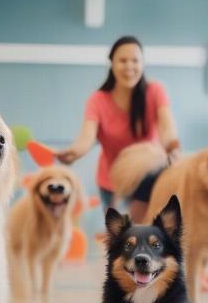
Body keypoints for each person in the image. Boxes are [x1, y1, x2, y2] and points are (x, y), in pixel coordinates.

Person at [57, 35, 181, 223]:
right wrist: (72, 153)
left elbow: (167, 127)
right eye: (123, 60)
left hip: (149, 177)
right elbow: (86, 139)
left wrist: (173, 149)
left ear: (143, 64)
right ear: (112, 63)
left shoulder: (155, 91)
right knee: (121, 237)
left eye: (135, 60)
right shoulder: (97, 100)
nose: (129, 66)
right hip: (111, 181)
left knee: (145, 233)